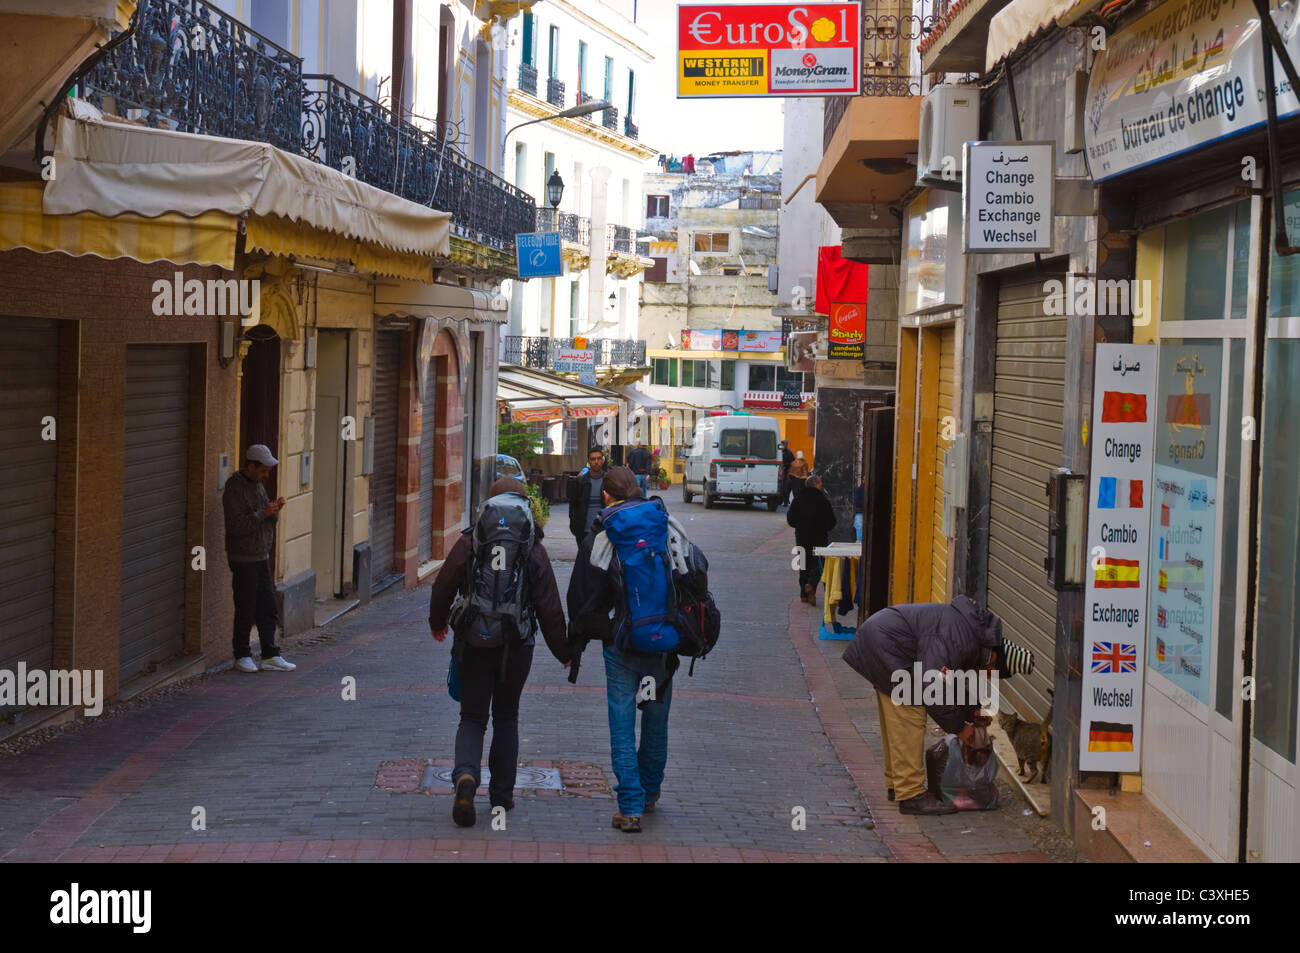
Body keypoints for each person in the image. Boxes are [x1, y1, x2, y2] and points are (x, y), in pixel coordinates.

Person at [428, 478, 570, 827]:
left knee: (473, 717)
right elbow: (549, 604)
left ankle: (465, 777)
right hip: (516, 644)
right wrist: (563, 650)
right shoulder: (531, 544)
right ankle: (501, 798)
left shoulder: (471, 538)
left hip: (473, 642)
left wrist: (438, 622)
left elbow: (445, 582)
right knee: (506, 716)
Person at [567, 466, 694, 833]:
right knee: (655, 719)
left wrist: (576, 641)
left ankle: (630, 807)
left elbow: (581, 600)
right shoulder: (666, 527)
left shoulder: (602, 538)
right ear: (638, 491)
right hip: (662, 647)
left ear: (606, 496)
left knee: (622, 724)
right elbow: (692, 579)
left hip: (621, 647)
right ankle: (650, 791)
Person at [841, 595, 1009, 816]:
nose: (987, 676)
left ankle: (897, 785)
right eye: (991, 673)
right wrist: (960, 728)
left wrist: (971, 708)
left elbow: (947, 679)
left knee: (896, 718)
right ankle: (911, 794)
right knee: (910, 714)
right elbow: (932, 686)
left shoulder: (965, 635)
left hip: (882, 640)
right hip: (888, 646)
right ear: (992, 657)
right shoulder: (960, 639)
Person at [222, 444, 296, 673]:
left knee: (267, 605)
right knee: (246, 605)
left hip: (260, 554)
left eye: (268, 472)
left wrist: (273, 511)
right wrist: (263, 513)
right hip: (243, 557)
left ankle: (270, 654)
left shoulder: (258, 486)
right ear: (251, 466)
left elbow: (263, 518)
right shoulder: (234, 489)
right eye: (263, 471)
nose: (266, 476)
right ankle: (241, 654)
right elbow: (236, 526)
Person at [786, 472, 836, 604]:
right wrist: (823, 527)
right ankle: (811, 584)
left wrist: (800, 525)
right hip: (820, 538)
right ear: (815, 484)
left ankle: (803, 594)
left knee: (803, 564)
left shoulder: (798, 499)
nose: (822, 485)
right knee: (819, 563)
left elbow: (791, 520)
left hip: (802, 537)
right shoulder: (823, 501)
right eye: (820, 483)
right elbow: (832, 521)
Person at [567, 447, 608, 543]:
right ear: (589, 461)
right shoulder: (580, 481)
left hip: (604, 529)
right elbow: (573, 505)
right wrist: (574, 524)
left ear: (603, 460)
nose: (596, 462)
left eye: (599, 458)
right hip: (583, 529)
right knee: (584, 556)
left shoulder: (609, 480)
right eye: (593, 459)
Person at [779, 440, 795, 505]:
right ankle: (782, 500)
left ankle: (785, 502)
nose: (782, 446)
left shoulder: (788, 452)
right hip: (782, 471)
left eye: (783, 445)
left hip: (787, 472)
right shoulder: (780, 452)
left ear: (786, 445)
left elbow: (792, 463)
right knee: (781, 487)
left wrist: (784, 465)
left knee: (785, 488)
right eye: (781, 445)